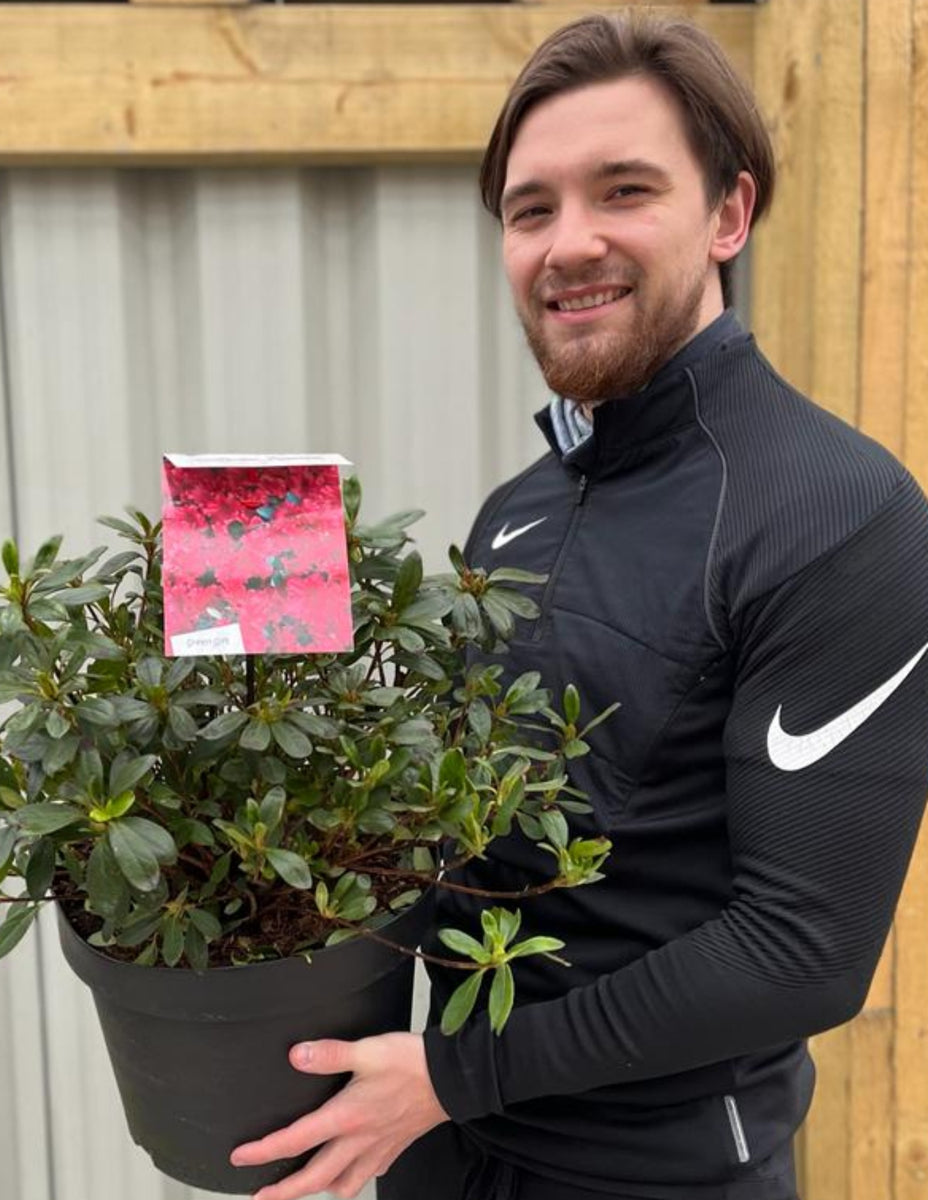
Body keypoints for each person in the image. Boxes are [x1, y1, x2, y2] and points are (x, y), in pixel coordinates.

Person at [230, 12, 928, 1200]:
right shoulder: (520, 508)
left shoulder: (840, 514)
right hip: (436, 1148)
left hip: (652, 1176)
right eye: (531, 207)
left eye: (624, 191)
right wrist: (240, 714)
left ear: (728, 215)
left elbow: (804, 952)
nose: (569, 243)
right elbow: (460, 820)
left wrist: (456, 1074)